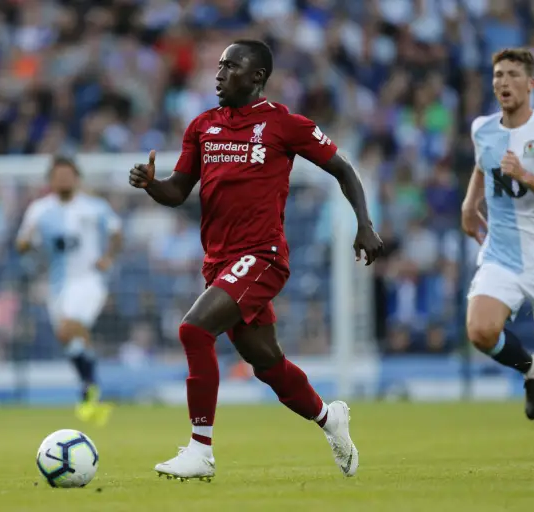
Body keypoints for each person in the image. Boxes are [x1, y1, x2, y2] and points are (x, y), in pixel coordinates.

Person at [129, 40, 383, 481]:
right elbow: (177, 191)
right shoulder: (202, 127)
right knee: (267, 364)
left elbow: (343, 168)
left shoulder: (284, 124)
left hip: (261, 257)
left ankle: (200, 450)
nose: (219, 74)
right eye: (220, 66)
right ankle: (329, 419)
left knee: (193, 329)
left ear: (257, 77)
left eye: (231, 66)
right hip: (219, 262)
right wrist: (152, 185)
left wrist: (364, 223)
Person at [462, 48, 534, 420]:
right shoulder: (483, 129)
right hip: (504, 253)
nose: (503, 82)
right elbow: (482, 165)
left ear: (530, 83)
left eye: (512, 74)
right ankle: (532, 370)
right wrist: (469, 203)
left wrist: (527, 177)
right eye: (497, 75)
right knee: (480, 330)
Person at [17, 156, 122, 426]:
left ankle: (90, 384)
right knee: (71, 339)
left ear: (77, 178)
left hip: (89, 280)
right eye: (58, 175)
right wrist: (26, 242)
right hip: (57, 285)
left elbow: (117, 232)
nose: (63, 180)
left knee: (68, 328)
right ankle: (89, 386)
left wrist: (108, 257)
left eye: (68, 175)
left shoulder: (94, 207)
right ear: (50, 180)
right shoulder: (39, 210)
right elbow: (22, 243)